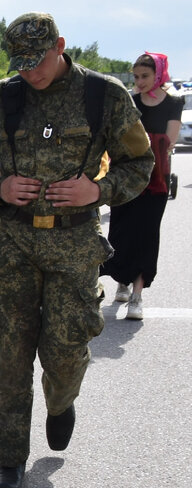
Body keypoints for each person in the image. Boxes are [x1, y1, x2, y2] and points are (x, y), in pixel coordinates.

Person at [0, 13, 153, 488]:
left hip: (74, 244)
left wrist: (97, 192)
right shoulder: (1, 97)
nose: (28, 72)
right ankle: (10, 458)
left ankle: (61, 402)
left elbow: (139, 162)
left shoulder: (104, 97)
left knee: (64, 350)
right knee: (11, 354)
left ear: (60, 46)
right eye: (19, 63)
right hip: (12, 242)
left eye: (36, 61)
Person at [102, 52, 182, 321]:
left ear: (158, 75)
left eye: (145, 76)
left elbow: (168, 141)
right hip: (124, 178)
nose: (139, 81)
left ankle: (137, 297)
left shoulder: (173, 103)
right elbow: (115, 137)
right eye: (136, 76)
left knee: (147, 236)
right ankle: (122, 283)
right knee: (121, 233)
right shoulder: (130, 101)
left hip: (156, 180)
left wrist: (138, 142)